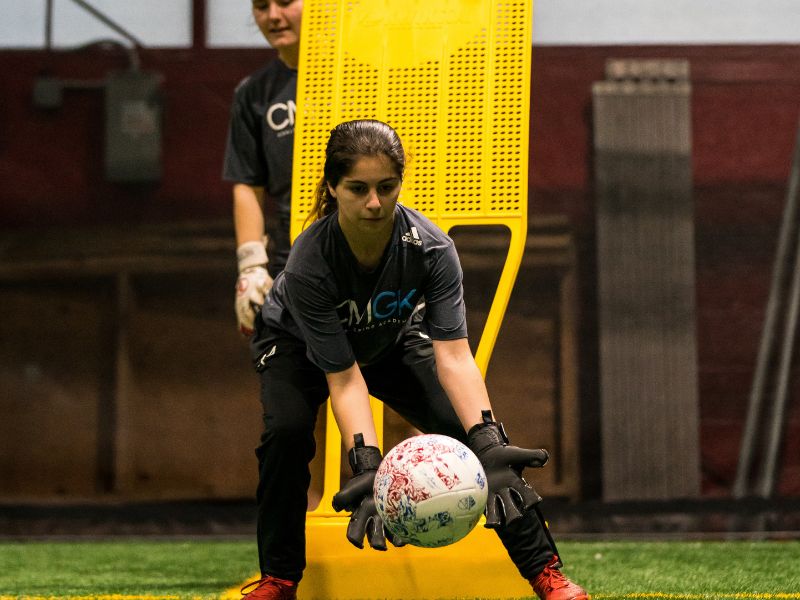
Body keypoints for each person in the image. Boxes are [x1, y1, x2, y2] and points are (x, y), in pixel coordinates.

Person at [240, 119, 590, 600]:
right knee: (286, 435)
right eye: (357, 188)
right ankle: (279, 579)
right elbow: (343, 380)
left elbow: (455, 359)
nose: (374, 203)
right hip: (295, 346)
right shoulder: (309, 263)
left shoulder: (431, 248)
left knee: (486, 446)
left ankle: (547, 575)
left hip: (388, 340)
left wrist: (485, 442)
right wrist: (365, 463)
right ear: (333, 187)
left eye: (387, 187)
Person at [223, 0, 303, 336]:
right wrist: (251, 267)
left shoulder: (367, 73)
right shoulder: (253, 93)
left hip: (372, 257)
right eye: (260, 6)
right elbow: (246, 183)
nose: (273, 16)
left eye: (286, 2)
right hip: (295, 263)